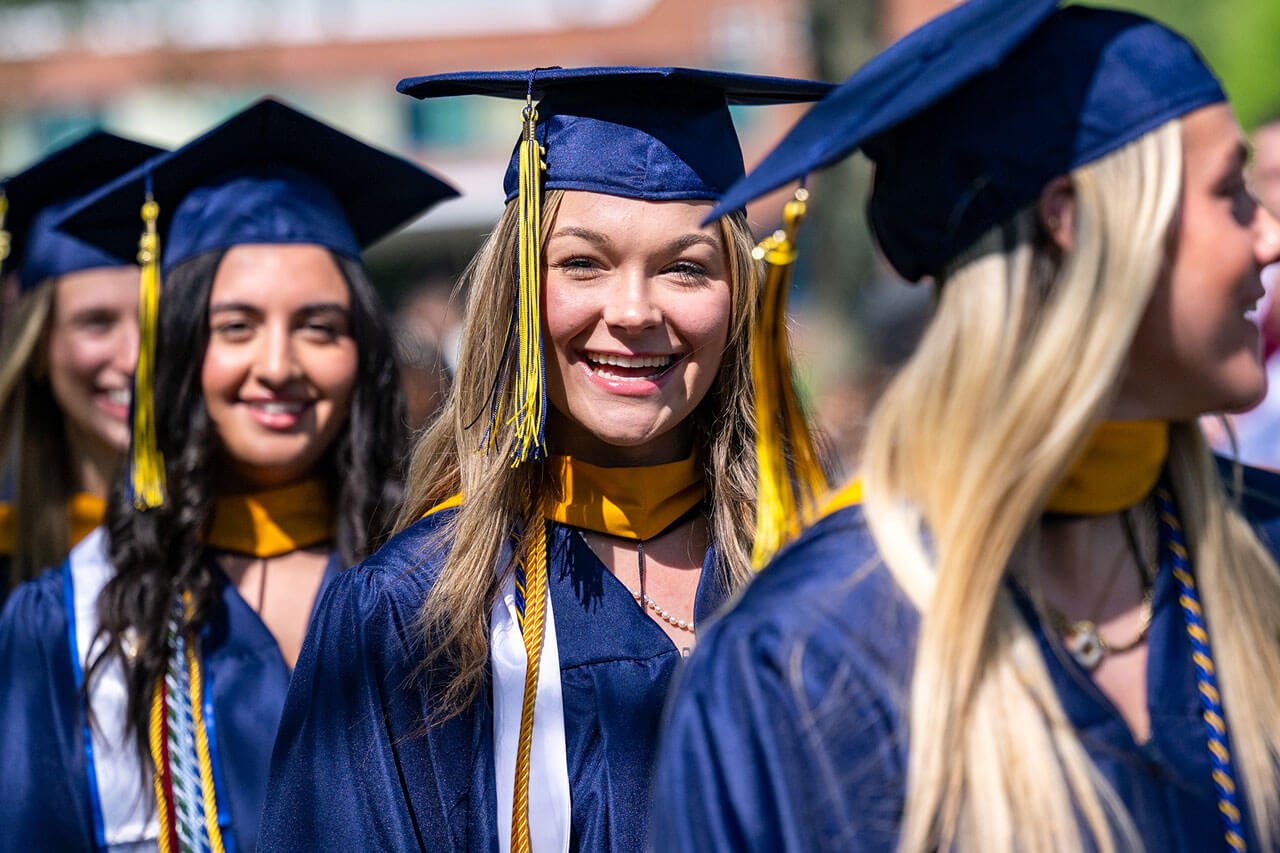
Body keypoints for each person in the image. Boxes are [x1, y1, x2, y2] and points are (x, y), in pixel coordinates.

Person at [654, 1, 1280, 850]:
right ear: (1076, 221)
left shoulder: (1262, 552)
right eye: (1230, 192)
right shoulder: (807, 662)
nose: (1270, 237)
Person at [259, 67, 831, 851]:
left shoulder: (822, 580)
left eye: (686, 267)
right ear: (520, 286)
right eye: (583, 263)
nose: (633, 312)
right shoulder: (415, 613)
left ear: (740, 296)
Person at [0, 97, 456, 851]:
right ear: (179, 349)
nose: (277, 366)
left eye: (319, 326)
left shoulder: (446, 581)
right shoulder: (71, 617)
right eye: (234, 326)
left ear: (364, 352)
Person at [0, 131, 163, 596]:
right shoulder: (7, 554)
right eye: (97, 322)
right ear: (36, 347)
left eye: (156, 320)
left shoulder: (240, 557)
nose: (135, 358)